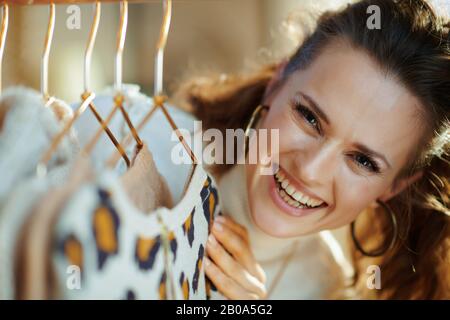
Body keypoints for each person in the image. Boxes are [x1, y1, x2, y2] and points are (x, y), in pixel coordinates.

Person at [174, 0, 449, 299]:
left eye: (363, 160)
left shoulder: (326, 289)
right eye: (309, 117)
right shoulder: (143, 146)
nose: (310, 170)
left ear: (395, 186)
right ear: (277, 82)